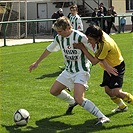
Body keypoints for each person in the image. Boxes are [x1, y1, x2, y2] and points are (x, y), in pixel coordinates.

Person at [29, 16, 110, 125]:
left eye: (60, 31)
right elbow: (49, 49)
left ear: (68, 28)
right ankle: (72, 102)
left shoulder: (80, 37)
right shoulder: (59, 38)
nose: (58, 33)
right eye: (57, 31)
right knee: (54, 91)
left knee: (79, 99)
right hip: (68, 70)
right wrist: (37, 62)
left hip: (81, 70)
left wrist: (106, 65)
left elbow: (96, 52)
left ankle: (102, 117)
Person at [73, 25, 133, 113]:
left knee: (117, 92)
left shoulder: (105, 44)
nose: (88, 41)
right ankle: (122, 107)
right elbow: (100, 55)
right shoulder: (100, 34)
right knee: (108, 90)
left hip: (116, 67)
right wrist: (106, 66)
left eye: (90, 39)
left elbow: (94, 61)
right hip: (109, 66)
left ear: (97, 38)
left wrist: (82, 48)